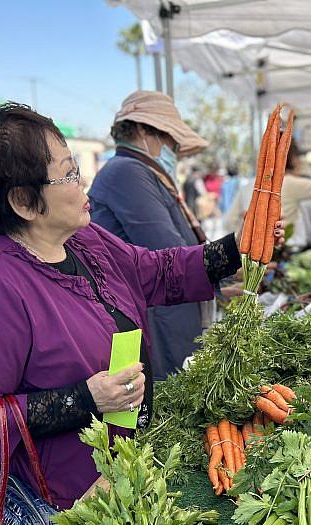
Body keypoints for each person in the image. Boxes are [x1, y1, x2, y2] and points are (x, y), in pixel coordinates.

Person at [0, 103, 281, 509]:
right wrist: (84, 399)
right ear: (24, 202)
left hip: (133, 467)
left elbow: (155, 271)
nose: (84, 182)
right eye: (68, 172)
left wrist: (239, 248)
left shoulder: (84, 239)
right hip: (72, 502)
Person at [88, 91, 212, 378]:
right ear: (143, 130)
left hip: (168, 309)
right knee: (169, 399)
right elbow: (168, 250)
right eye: (169, 139)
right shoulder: (126, 172)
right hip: (156, 317)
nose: (173, 148)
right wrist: (231, 255)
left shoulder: (143, 172)